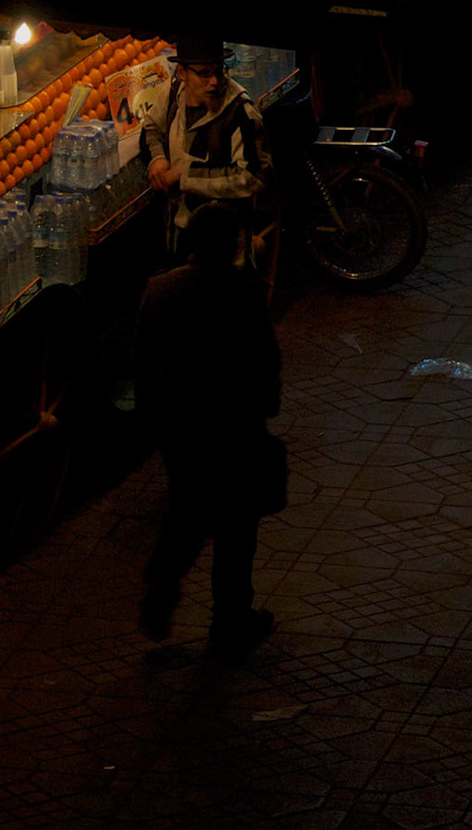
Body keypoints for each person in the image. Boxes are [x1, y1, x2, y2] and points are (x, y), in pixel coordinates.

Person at [135, 202, 283, 657]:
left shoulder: (160, 290)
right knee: (237, 524)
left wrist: (153, 419)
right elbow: (265, 360)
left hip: (181, 425)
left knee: (187, 510)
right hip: (235, 424)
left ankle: (162, 586)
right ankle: (230, 619)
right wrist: (267, 408)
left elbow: (143, 363)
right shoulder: (245, 292)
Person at [137, 35, 275, 268]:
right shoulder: (173, 93)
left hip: (224, 245)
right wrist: (158, 158)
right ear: (182, 73)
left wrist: (186, 175)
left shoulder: (240, 112)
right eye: (204, 73)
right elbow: (151, 127)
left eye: (219, 71)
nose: (214, 81)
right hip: (179, 231)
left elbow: (255, 176)